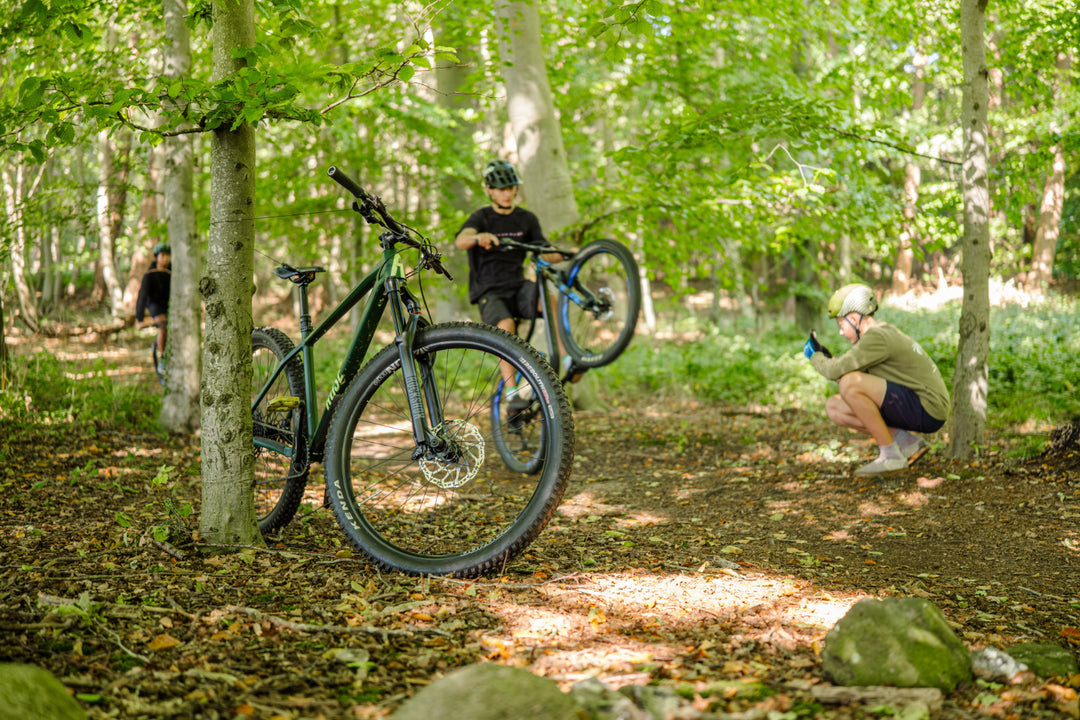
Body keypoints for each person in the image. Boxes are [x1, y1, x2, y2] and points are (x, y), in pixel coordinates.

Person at [803, 283, 949, 476]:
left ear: (854, 318)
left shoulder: (877, 336)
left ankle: (891, 456)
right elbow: (850, 374)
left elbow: (836, 372)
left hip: (929, 408)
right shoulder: (877, 334)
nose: (840, 332)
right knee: (835, 407)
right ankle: (907, 443)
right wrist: (832, 362)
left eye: (841, 324)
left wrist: (814, 356)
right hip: (917, 404)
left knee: (849, 383)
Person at [454, 160, 569, 399]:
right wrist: (479, 237)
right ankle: (511, 392)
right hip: (489, 291)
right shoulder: (481, 217)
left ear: (516, 189)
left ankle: (568, 357)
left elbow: (545, 250)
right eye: (500, 189)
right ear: (489, 190)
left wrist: (573, 254)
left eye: (510, 188)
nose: (506, 194)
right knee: (505, 325)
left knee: (549, 300)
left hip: (518, 287)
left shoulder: (526, 219)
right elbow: (461, 241)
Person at [135, 242, 171, 376]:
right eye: (162, 255)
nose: (165, 258)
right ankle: (163, 359)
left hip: (168, 304)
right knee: (163, 325)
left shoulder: (172, 273)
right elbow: (142, 297)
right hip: (154, 305)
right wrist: (139, 317)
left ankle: (160, 343)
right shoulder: (149, 274)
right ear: (156, 257)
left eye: (168, 255)